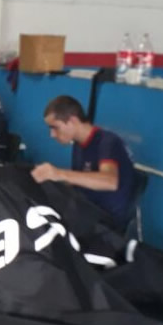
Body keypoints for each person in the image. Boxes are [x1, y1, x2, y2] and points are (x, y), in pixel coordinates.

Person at [31, 95, 136, 228]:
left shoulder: (107, 142)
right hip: (84, 209)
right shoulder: (79, 145)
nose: (52, 134)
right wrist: (48, 178)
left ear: (72, 121)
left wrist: (59, 173)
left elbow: (110, 182)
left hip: (105, 221)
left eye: (55, 127)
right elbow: (79, 181)